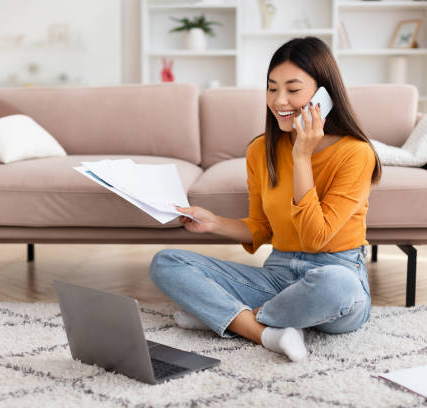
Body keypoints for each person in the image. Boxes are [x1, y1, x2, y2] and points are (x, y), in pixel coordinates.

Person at [149, 36, 382, 362]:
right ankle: (269, 329)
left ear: (323, 95)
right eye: (272, 88)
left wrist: (302, 156)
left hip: (337, 275)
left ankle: (229, 319)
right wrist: (214, 223)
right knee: (167, 262)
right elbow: (261, 227)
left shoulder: (356, 154)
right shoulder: (261, 150)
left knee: (337, 284)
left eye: (292, 89)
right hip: (278, 277)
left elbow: (317, 237)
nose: (279, 100)